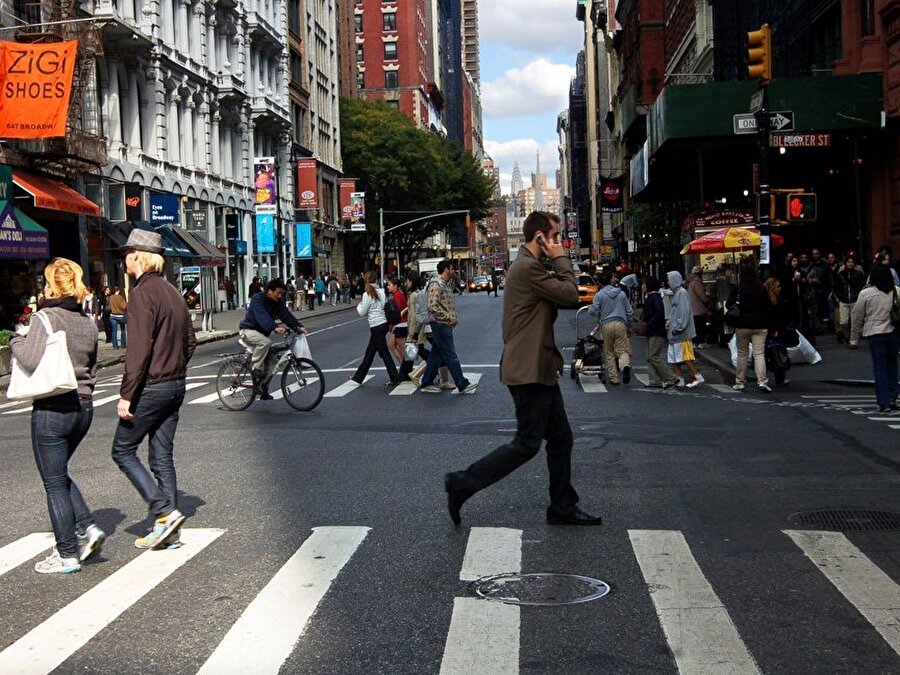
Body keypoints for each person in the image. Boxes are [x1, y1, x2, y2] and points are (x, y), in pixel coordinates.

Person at [443, 211, 602, 527]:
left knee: (561, 438)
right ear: (540, 237)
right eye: (554, 236)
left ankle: (562, 505)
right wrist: (561, 259)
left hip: (537, 366)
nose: (559, 242)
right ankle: (462, 482)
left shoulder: (530, 267)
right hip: (528, 369)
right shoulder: (528, 268)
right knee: (527, 443)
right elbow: (570, 294)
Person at [9, 258, 106, 574]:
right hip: (85, 407)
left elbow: (30, 359)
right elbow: (93, 367)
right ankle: (88, 526)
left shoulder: (45, 317)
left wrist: (15, 339)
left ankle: (66, 554)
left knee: (53, 482)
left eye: (46, 282)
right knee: (59, 473)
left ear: (52, 285)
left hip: (53, 408)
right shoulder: (87, 322)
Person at [112, 229, 197, 550]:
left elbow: (138, 351)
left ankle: (163, 512)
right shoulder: (173, 292)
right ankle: (169, 529)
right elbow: (190, 341)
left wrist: (127, 393)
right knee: (162, 457)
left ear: (137, 257)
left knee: (122, 450)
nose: (123, 260)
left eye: (126, 254)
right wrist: (176, 367)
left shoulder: (142, 294)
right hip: (176, 384)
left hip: (152, 386)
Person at [239, 278, 307, 399]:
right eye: (278, 293)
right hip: (248, 331)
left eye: (281, 293)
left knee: (273, 364)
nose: (280, 295)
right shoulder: (257, 299)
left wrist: (298, 326)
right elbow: (262, 316)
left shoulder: (277, 302)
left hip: (261, 334)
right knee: (265, 342)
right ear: (269, 291)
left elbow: (285, 314)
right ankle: (256, 367)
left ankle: (262, 388)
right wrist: (274, 327)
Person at [418, 260, 478, 394]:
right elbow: (432, 305)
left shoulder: (444, 283)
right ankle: (461, 383)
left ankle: (426, 383)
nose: (454, 271)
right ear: (446, 269)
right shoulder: (436, 284)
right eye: (452, 269)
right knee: (450, 354)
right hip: (440, 324)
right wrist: (447, 317)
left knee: (436, 355)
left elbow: (456, 283)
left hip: (443, 323)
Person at [849, 264, 899, 413]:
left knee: (879, 367)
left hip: (874, 333)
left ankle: (883, 402)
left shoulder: (866, 293)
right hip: (892, 331)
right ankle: (892, 396)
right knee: (892, 365)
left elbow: (857, 315)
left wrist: (854, 338)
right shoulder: (896, 291)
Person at [350, 271, 400, 386]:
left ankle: (395, 377)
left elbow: (362, 313)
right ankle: (359, 377)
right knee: (370, 353)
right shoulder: (382, 291)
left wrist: (359, 305)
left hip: (375, 325)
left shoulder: (367, 294)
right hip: (384, 324)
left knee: (384, 353)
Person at [727, 265, 772, 392]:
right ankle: (762, 381)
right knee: (759, 354)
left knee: (742, 354)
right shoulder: (761, 288)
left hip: (742, 324)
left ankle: (740, 381)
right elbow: (768, 305)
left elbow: (728, 304)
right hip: (760, 325)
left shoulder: (738, 288)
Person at [588, 271, 634, 385]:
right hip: (620, 323)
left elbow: (594, 311)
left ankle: (614, 378)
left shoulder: (599, 295)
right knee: (623, 349)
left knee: (608, 351)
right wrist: (630, 326)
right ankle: (625, 366)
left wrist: (590, 308)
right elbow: (629, 311)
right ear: (610, 280)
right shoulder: (621, 294)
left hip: (606, 324)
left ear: (600, 283)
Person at [666, 270, 705, 387]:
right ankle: (679, 379)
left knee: (683, 356)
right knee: (676, 357)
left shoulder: (681, 293)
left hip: (680, 332)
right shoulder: (678, 293)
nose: (668, 283)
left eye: (669, 280)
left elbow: (683, 313)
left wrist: (677, 327)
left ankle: (697, 375)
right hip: (676, 332)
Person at [641, 276, 678, 389]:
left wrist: (650, 323)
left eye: (644, 283)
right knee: (650, 356)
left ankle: (671, 377)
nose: (642, 286)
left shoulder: (655, 297)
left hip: (656, 331)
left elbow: (659, 313)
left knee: (653, 356)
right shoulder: (651, 297)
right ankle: (654, 380)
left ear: (649, 285)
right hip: (652, 331)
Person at [764, 277, 797, 387]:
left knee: (777, 353)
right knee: (774, 353)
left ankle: (778, 377)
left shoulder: (778, 298)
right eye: (777, 287)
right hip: (773, 330)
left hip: (777, 329)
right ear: (772, 288)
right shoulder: (769, 301)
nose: (780, 288)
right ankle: (773, 377)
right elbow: (771, 316)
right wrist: (774, 329)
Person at [834, 256, 866, 344]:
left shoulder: (858, 274)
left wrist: (858, 296)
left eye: (852, 262)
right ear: (845, 263)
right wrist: (839, 297)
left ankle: (852, 340)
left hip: (854, 300)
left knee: (854, 321)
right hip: (843, 300)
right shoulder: (840, 274)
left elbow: (862, 287)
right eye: (848, 262)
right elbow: (836, 287)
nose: (850, 264)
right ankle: (846, 336)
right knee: (844, 321)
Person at [386, 276, 408, 363]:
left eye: (389, 285)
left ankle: (405, 368)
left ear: (395, 286)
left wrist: (391, 327)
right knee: (392, 345)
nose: (388, 286)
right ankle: (403, 365)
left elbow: (396, 313)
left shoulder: (397, 296)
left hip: (400, 325)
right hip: (400, 324)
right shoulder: (398, 294)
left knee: (403, 349)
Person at [687, 266, 710, 348]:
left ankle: (695, 342)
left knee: (696, 327)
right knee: (700, 326)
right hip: (699, 309)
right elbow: (702, 295)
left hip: (693, 309)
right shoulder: (697, 282)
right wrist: (707, 299)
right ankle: (700, 342)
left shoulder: (691, 282)